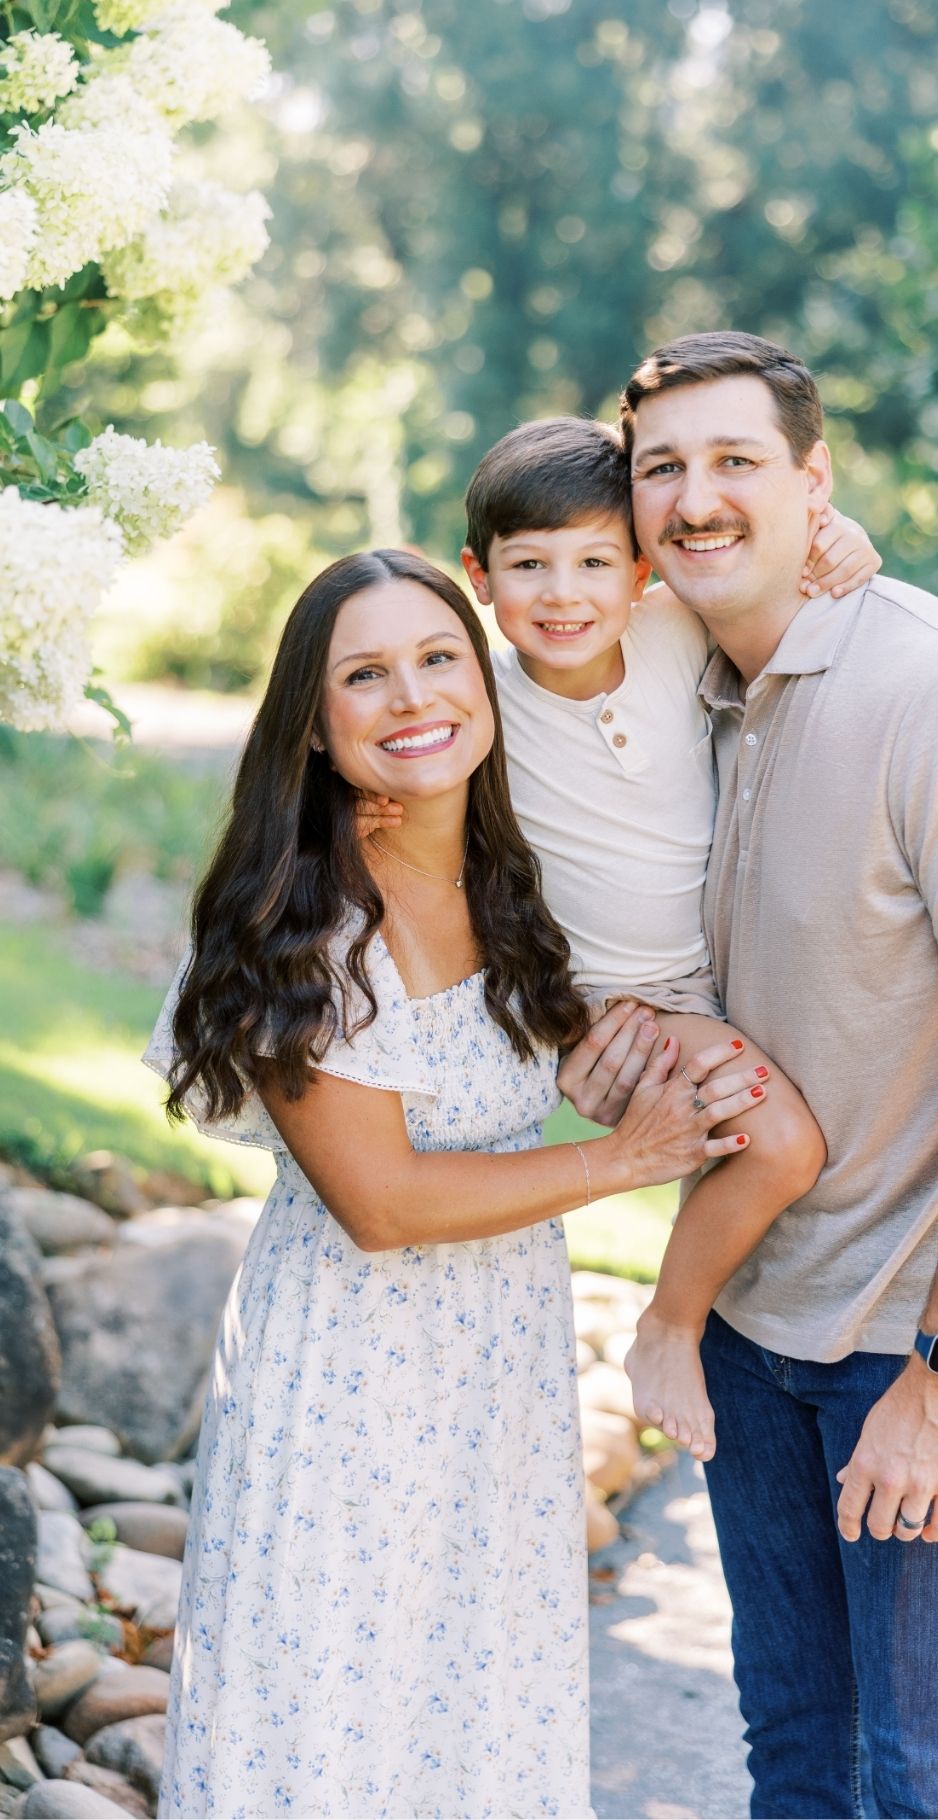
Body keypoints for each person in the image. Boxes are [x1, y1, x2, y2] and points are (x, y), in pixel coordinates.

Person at [142, 547, 766, 1819]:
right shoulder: (301, 920)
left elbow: (631, 595)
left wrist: (827, 549)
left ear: (484, 682)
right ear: (312, 725)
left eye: (438, 657)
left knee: (476, 1712)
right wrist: (622, 1159)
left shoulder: (509, 877)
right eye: (364, 674)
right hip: (347, 1382)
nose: (413, 694)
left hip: (495, 1371)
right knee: (332, 1725)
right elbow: (382, 1203)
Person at [568, 330, 938, 1819]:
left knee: (923, 1771)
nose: (695, 498)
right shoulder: (675, 679)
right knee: (799, 1758)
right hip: (752, 1320)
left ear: (815, 483)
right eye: (662, 468)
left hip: (920, 1331)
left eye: (736, 460)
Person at [360, 416, 883, 1461]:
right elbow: (396, 767)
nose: (563, 594)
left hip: (715, 971)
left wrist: (841, 536)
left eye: (595, 562)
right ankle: (670, 1326)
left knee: (776, 1136)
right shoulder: (481, 704)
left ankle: (744, 1327)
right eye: (528, 566)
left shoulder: (675, 630)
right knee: (783, 1144)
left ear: (643, 569)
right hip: (619, 1000)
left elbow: (783, 565)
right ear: (479, 575)